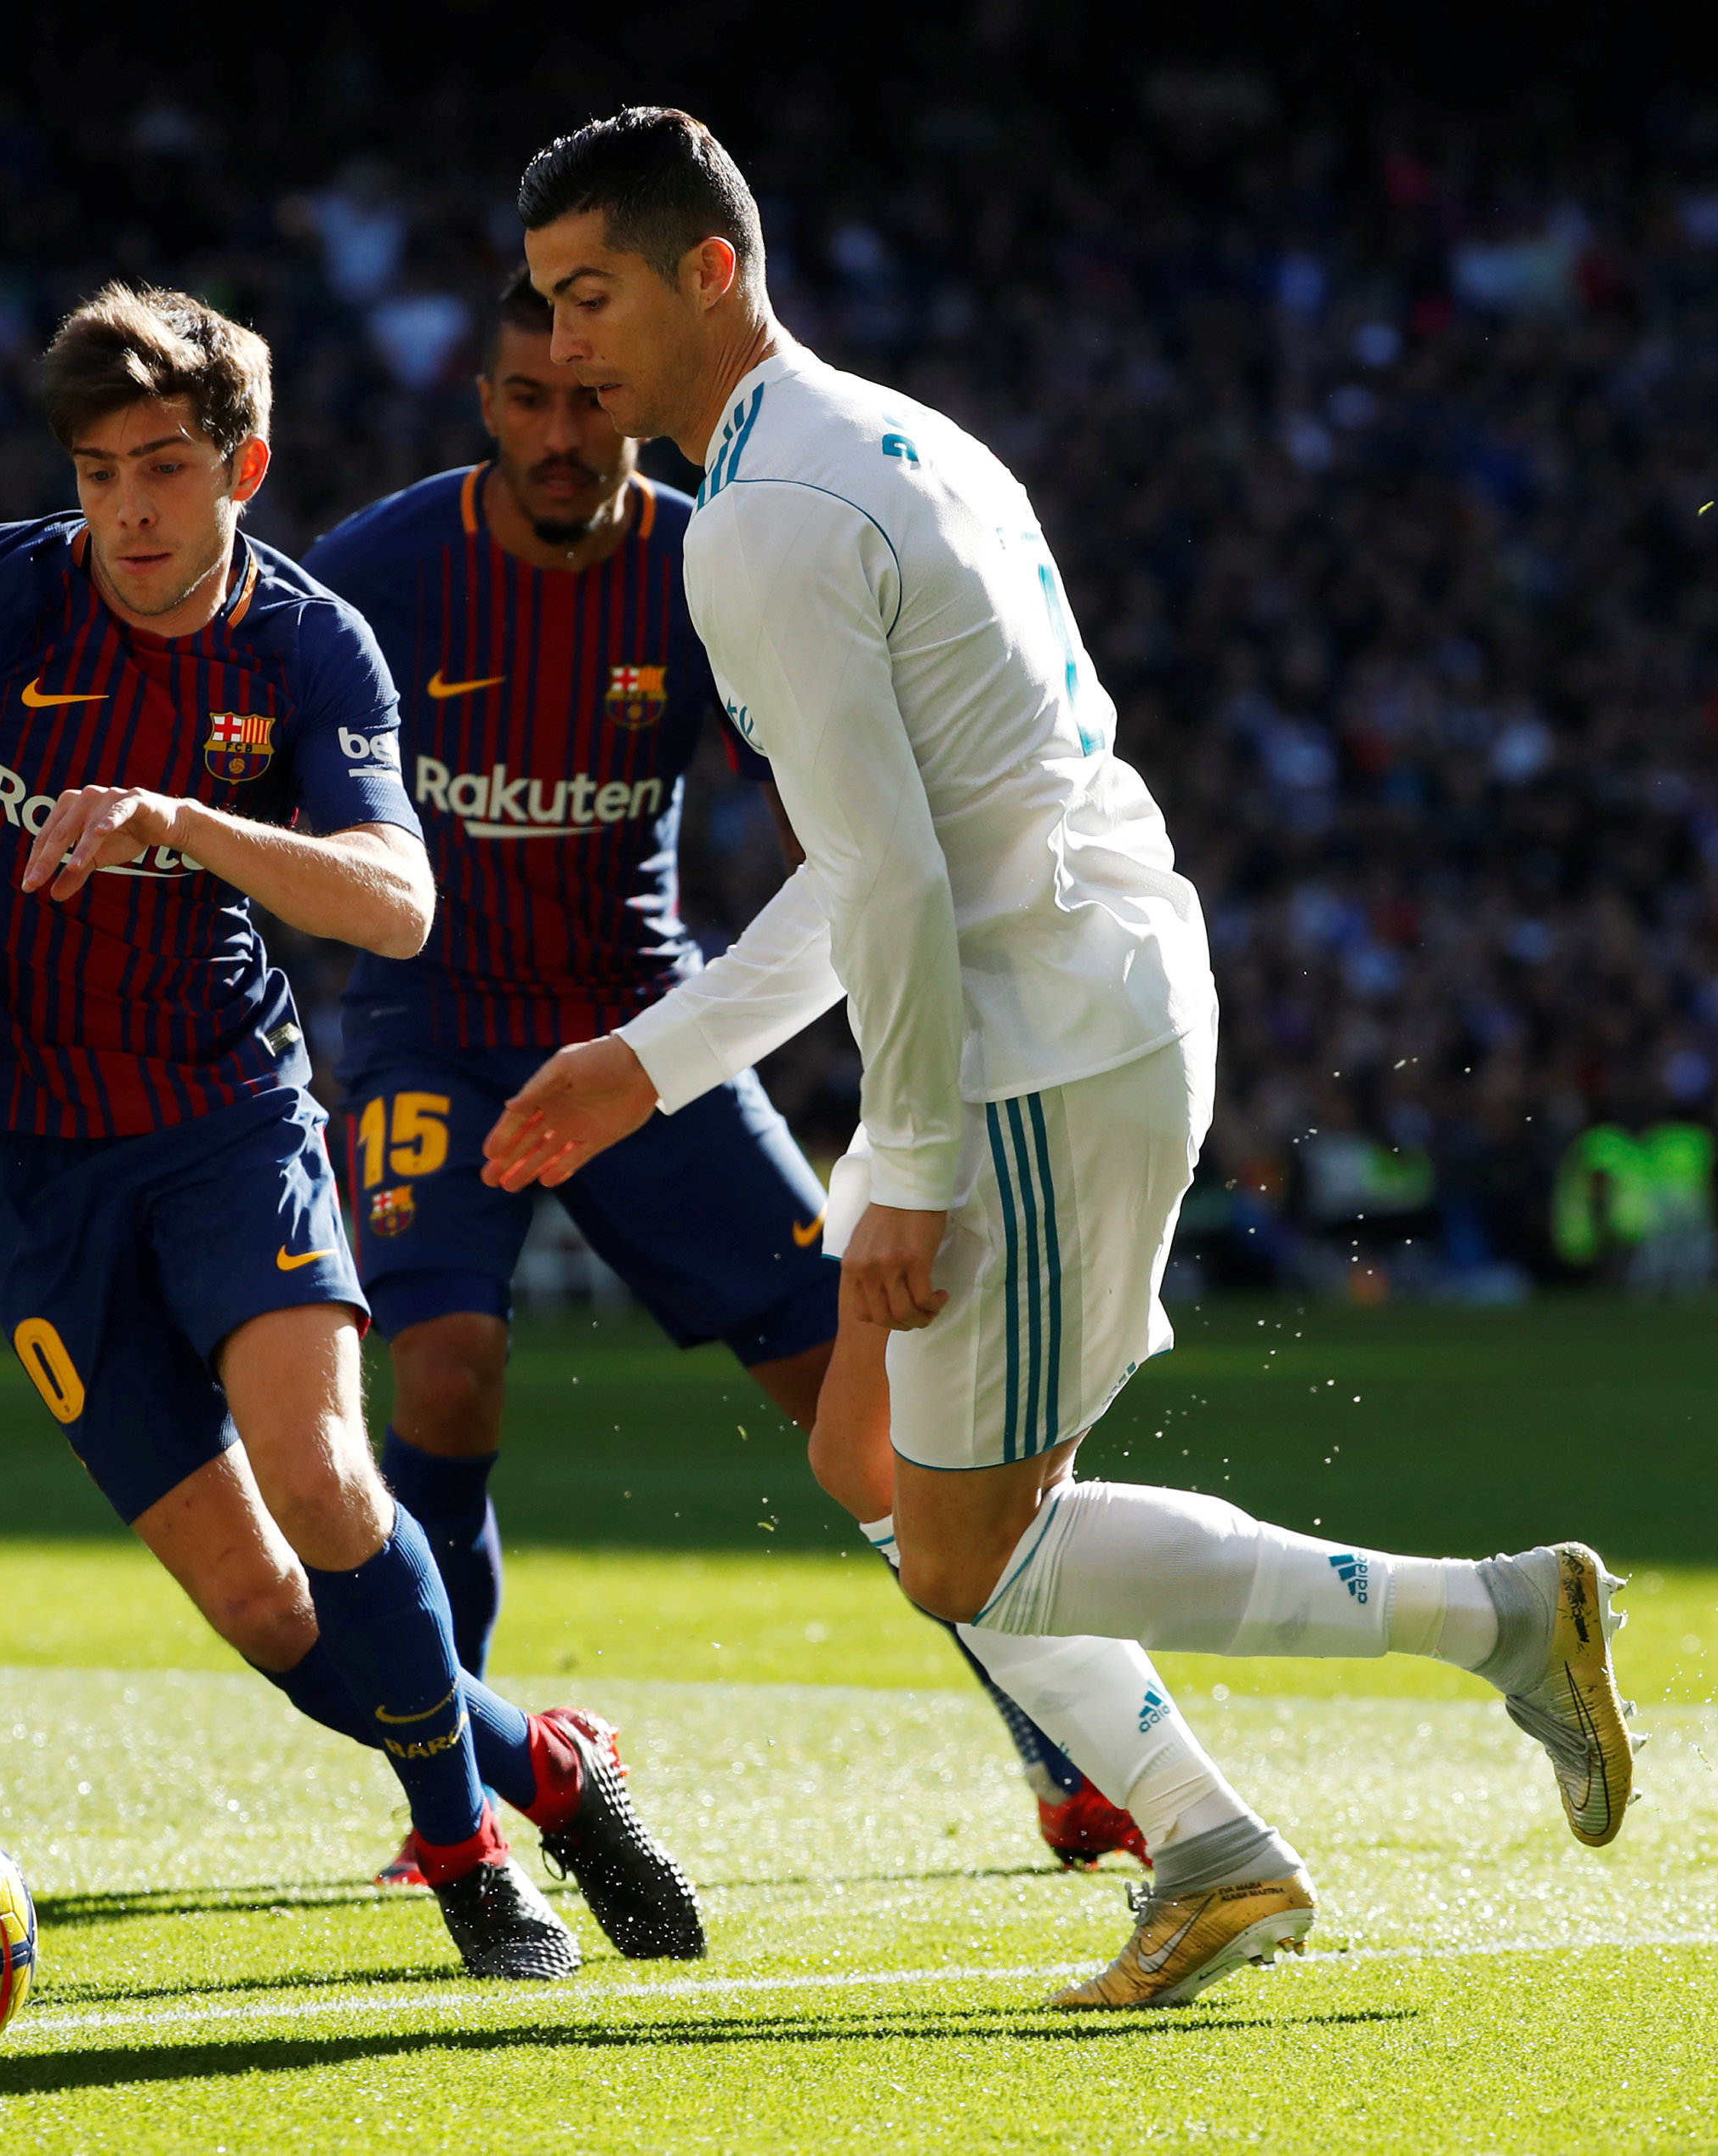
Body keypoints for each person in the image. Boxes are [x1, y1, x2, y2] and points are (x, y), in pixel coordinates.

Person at [485, 109, 1640, 2010]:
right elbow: (896, 856)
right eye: (540, 305)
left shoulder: (766, 523)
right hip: (1057, 992)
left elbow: (888, 872)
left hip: (1027, 1047)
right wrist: (652, 1061)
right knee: (865, 1455)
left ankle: (1491, 1622)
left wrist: (914, 1167)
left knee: (960, 1557)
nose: (564, 344)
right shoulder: (886, 436)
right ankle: (1214, 1844)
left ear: (714, 269)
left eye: (595, 293)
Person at [0, 281, 702, 1982]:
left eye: (162, 467)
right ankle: (544, 1760)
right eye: (98, 472)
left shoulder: (310, 646)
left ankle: (466, 1858)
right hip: (19, 1154)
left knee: (324, 1474)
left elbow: (396, 903)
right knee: (261, 1609)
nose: (127, 511)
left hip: (225, 1119)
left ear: (243, 464)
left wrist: (187, 821)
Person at [305, 268, 1147, 1885]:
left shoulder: (716, 557)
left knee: (863, 1389)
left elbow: (840, 826)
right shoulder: (377, 574)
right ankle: (461, 1797)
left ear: (623, 394)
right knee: (445, 1374)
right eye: (528, 402)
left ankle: (1069, 1751)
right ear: (486, 404)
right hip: (431, 1031)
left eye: (586, 399)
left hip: (645, 1024)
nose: (562, 435)